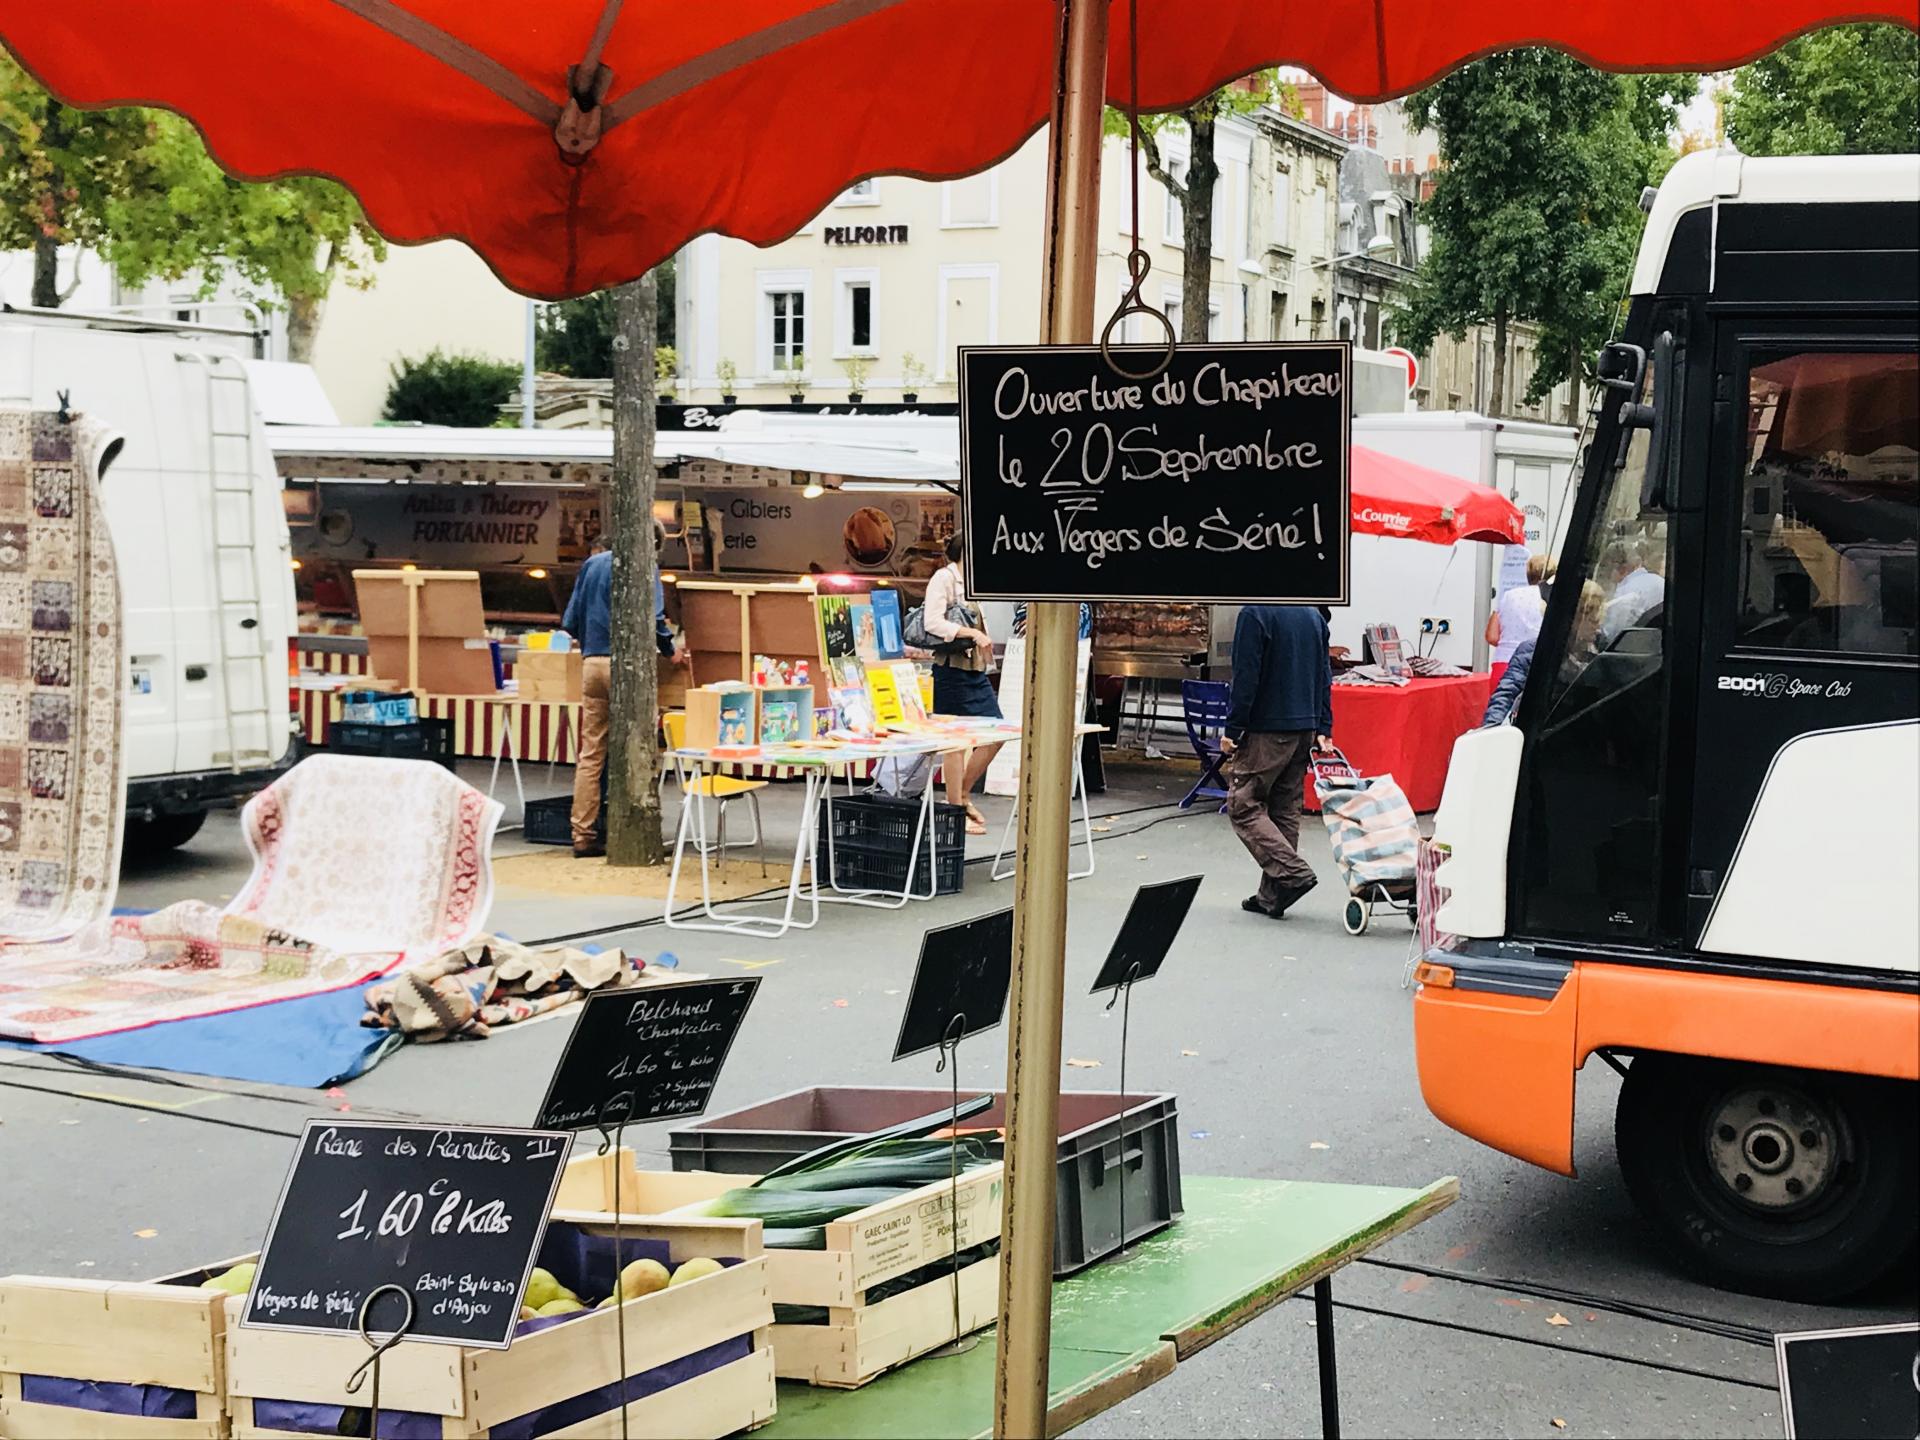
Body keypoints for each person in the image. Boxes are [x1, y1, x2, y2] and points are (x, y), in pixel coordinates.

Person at [559, 526, 680, 858]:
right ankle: (635, 831)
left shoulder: (592, 564)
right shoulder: (644, 565)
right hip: (627, 668)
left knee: (591, 752)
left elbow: (569, 620)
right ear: (653, 545)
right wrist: (670, 650)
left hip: (591, 663)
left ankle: (582, 834)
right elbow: (655, 618)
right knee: (640, 747)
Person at [1221, 604, 1333, 919]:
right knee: (1285, 809)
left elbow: (1246, 675)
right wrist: (1324, 726)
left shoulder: (1254, 613)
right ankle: (1272, 896)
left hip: (1266, 728)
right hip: (1304, 727)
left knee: (1242, 806)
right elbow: (1324, 674)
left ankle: (1292, 874)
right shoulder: (1312, 613)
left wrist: (1233, 728)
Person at [921, 535, 1003, 835]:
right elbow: (932, 622)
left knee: (996, 733)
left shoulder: (971, 584)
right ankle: (956, 808)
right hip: (951, 670)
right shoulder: (943, 579)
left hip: (974, 670)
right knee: (954, 743)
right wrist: (972, 632)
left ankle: (963, 796)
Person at [1486, 554, 1553, 681]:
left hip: (1503, 663)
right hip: (1535, 665)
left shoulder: (1508, 595)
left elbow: (1492, 636)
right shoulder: (1551, 598)